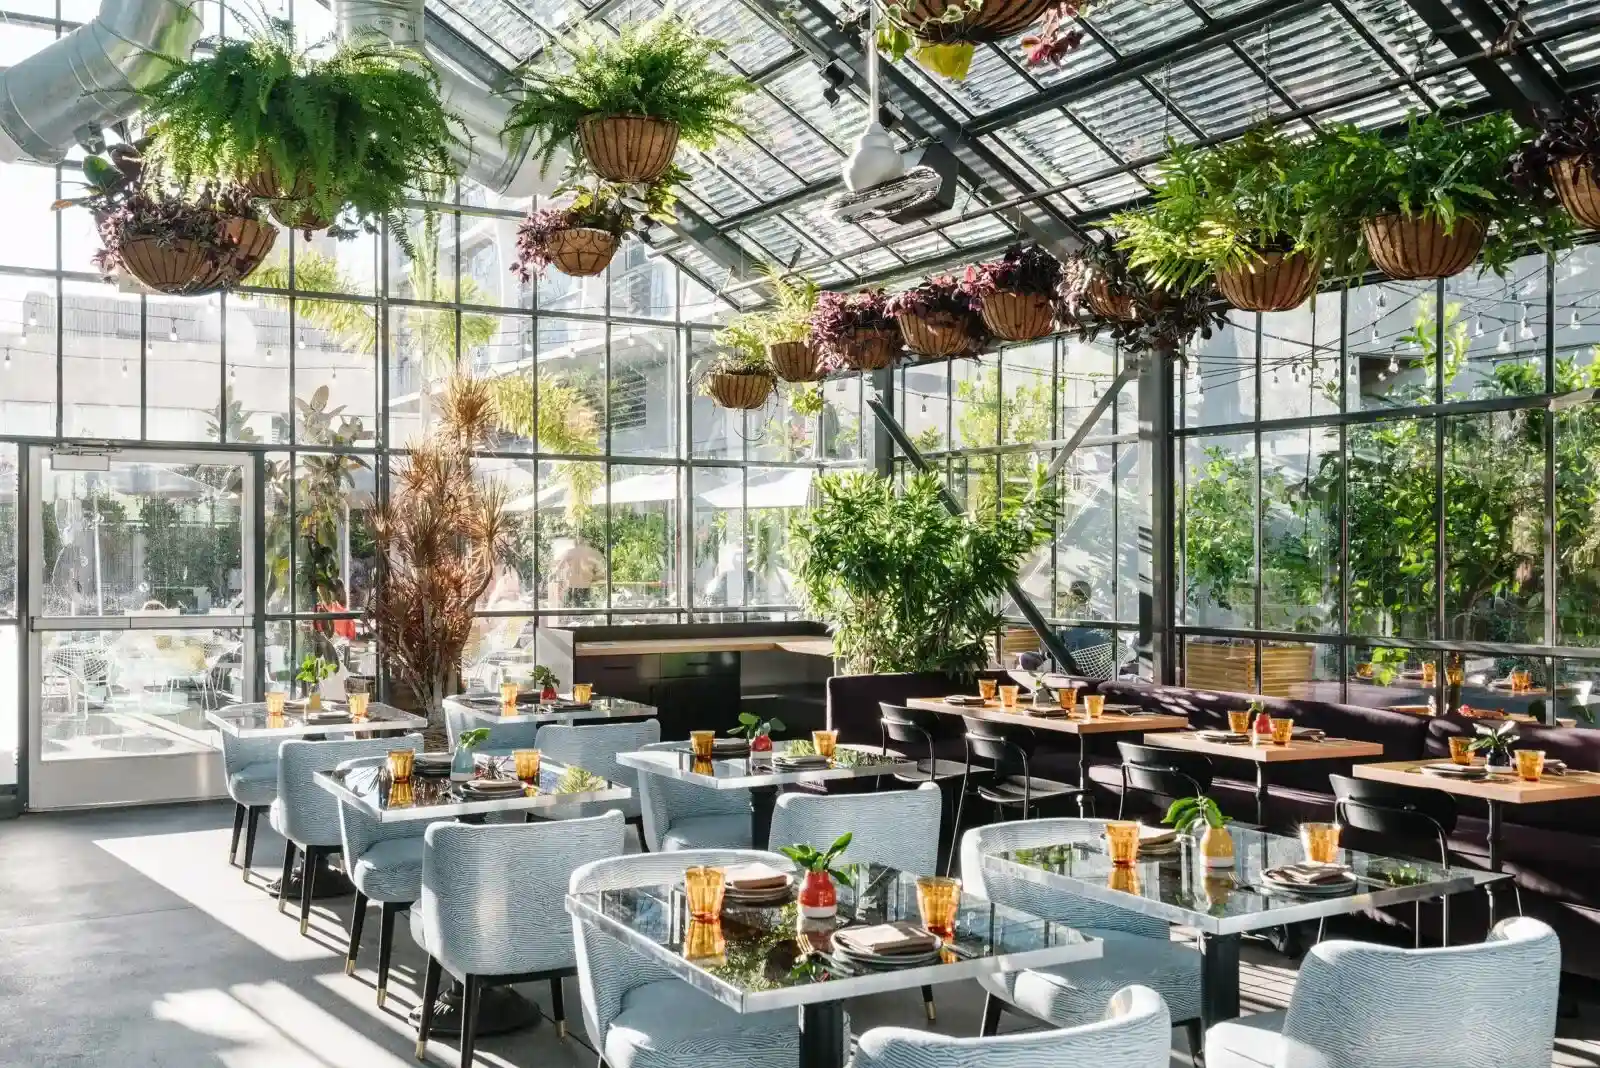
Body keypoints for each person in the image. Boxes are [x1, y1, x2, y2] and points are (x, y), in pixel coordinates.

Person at [547, 536, 607, 608]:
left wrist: (554, 575)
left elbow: (559, 566)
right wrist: (592, 577)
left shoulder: (570, 552)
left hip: (573, 585)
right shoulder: (590, 554)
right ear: (584, 544)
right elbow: (601, 573)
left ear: (575, 544)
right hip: (584, 585)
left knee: (572, 607)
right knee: (584, 606)